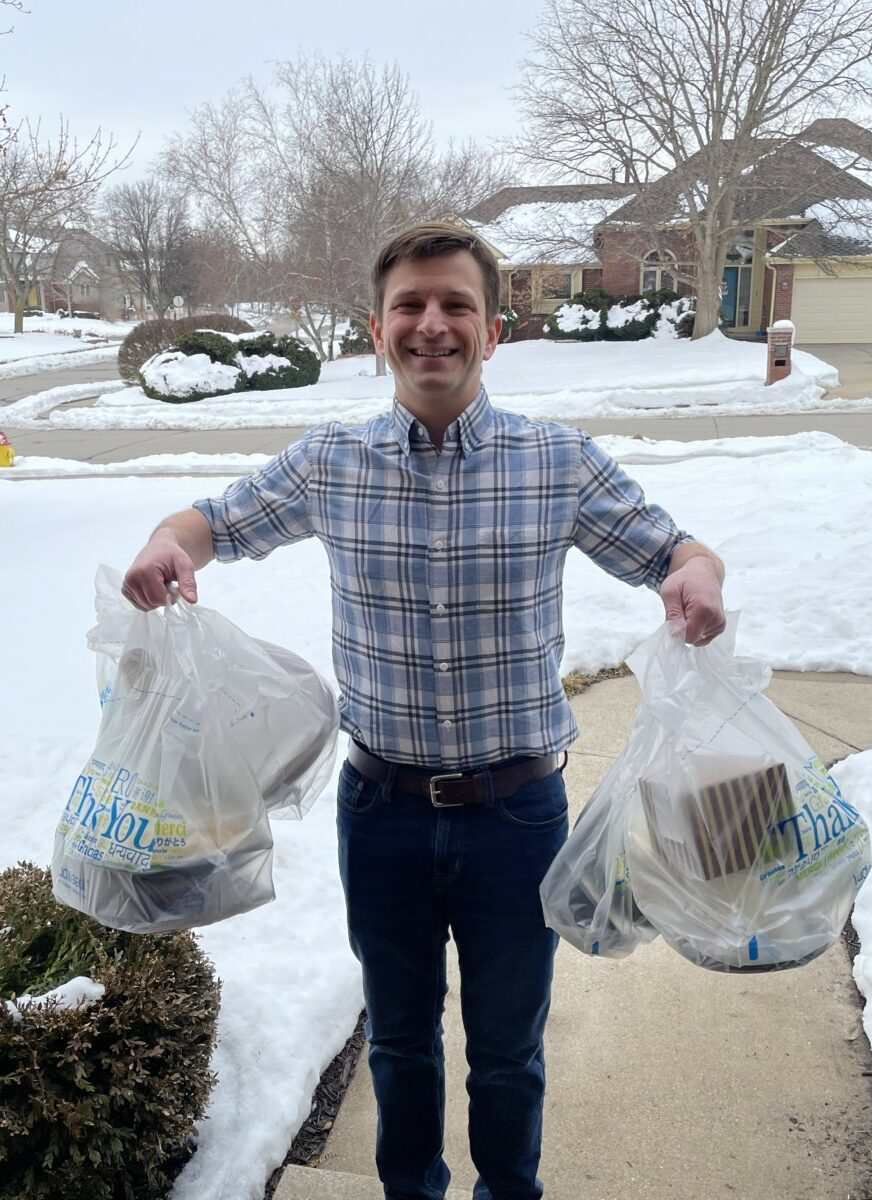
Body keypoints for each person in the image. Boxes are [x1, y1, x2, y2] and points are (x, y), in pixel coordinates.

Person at [122, 222, 726, 1200]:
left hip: (517, 821)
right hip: (384, 816)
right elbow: (213, 520)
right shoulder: (331, 462)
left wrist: (697, 579)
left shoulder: (556, 463)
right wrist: (168, 545)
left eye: (455, 306)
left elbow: (678, 551)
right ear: (377, 328)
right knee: (399, 1044)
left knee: (507, 1054)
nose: (431, 324)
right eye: (411, 305)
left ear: (492, 332)